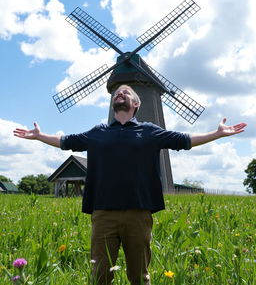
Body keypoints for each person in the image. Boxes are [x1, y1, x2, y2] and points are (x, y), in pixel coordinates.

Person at [13, 85, 247, 285]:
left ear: (136, 103)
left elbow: (184, 140)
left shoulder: (149, 131)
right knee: (100, 275)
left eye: (125, 92)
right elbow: (66, 141)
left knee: (139, 275)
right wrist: (40, 136)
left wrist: (216, 134)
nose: (120, 93)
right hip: (103, 213)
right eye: (116, 93)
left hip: (139, 213)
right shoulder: (98, 132)